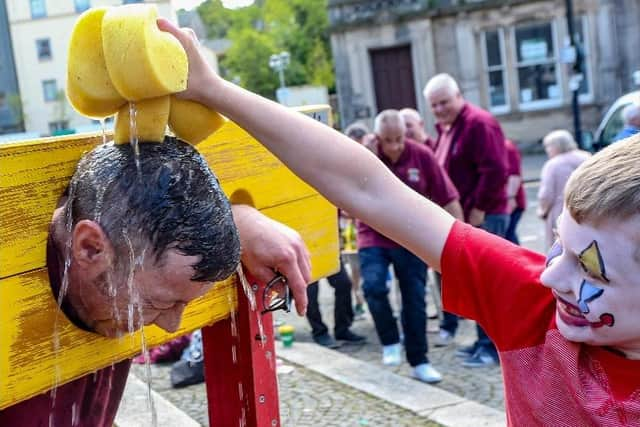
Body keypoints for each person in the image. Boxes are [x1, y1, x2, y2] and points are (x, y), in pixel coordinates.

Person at [164, 19, 640, 424]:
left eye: (591, 270)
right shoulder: (533, 304)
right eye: (558, 244)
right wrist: (214, 89)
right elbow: (370, 188)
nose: (552, 272)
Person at [0, 137, 312, 426]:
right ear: (90, 248)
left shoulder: (134, 255)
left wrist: (240, 216)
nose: (172, 325)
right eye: (159, 303)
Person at [356, 109, 462, 383]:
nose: (394, 146)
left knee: (414, 298)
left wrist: (461, 238)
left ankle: (419, 360)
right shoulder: (366, 154)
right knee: (374, 286)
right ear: (377, 136)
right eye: (387, 140)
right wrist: (364, 153)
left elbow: (448, 196)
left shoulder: (422, 156)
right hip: (374, 233)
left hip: (411, 234)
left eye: (399, 139)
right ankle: (390, 340)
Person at [423, 73, 508, 366]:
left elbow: (496, 169)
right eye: (433, 105)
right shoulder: (450, 127)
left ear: (459, 96)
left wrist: (478, 211)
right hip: (466, 217)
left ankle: (491, 347)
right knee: (476, 282)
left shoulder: (478, 124)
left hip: (483, 215)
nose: (439, 109)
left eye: (444, 102)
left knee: (486, 282)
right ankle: (482, 341)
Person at [538, 130, 591, 249]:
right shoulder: (587, 157)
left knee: (562, 250)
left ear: (557, 146)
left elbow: (546, 194)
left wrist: (543, 211)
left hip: (561, 212)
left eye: (548, 146)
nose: (547, 150)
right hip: (588, 209)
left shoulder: (552, 164)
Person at [306, 263, 366, 349]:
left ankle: (342, 330)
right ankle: (319, 332)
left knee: (343, 284)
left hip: (328, 252)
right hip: (307, 254)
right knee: (310, 292)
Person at [504, 139, 526, 245]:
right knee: (509, 235)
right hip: (505, 201)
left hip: (511, 201)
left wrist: (511, 197)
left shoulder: (507, 147)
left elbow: (514, 175)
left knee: (509, 236)